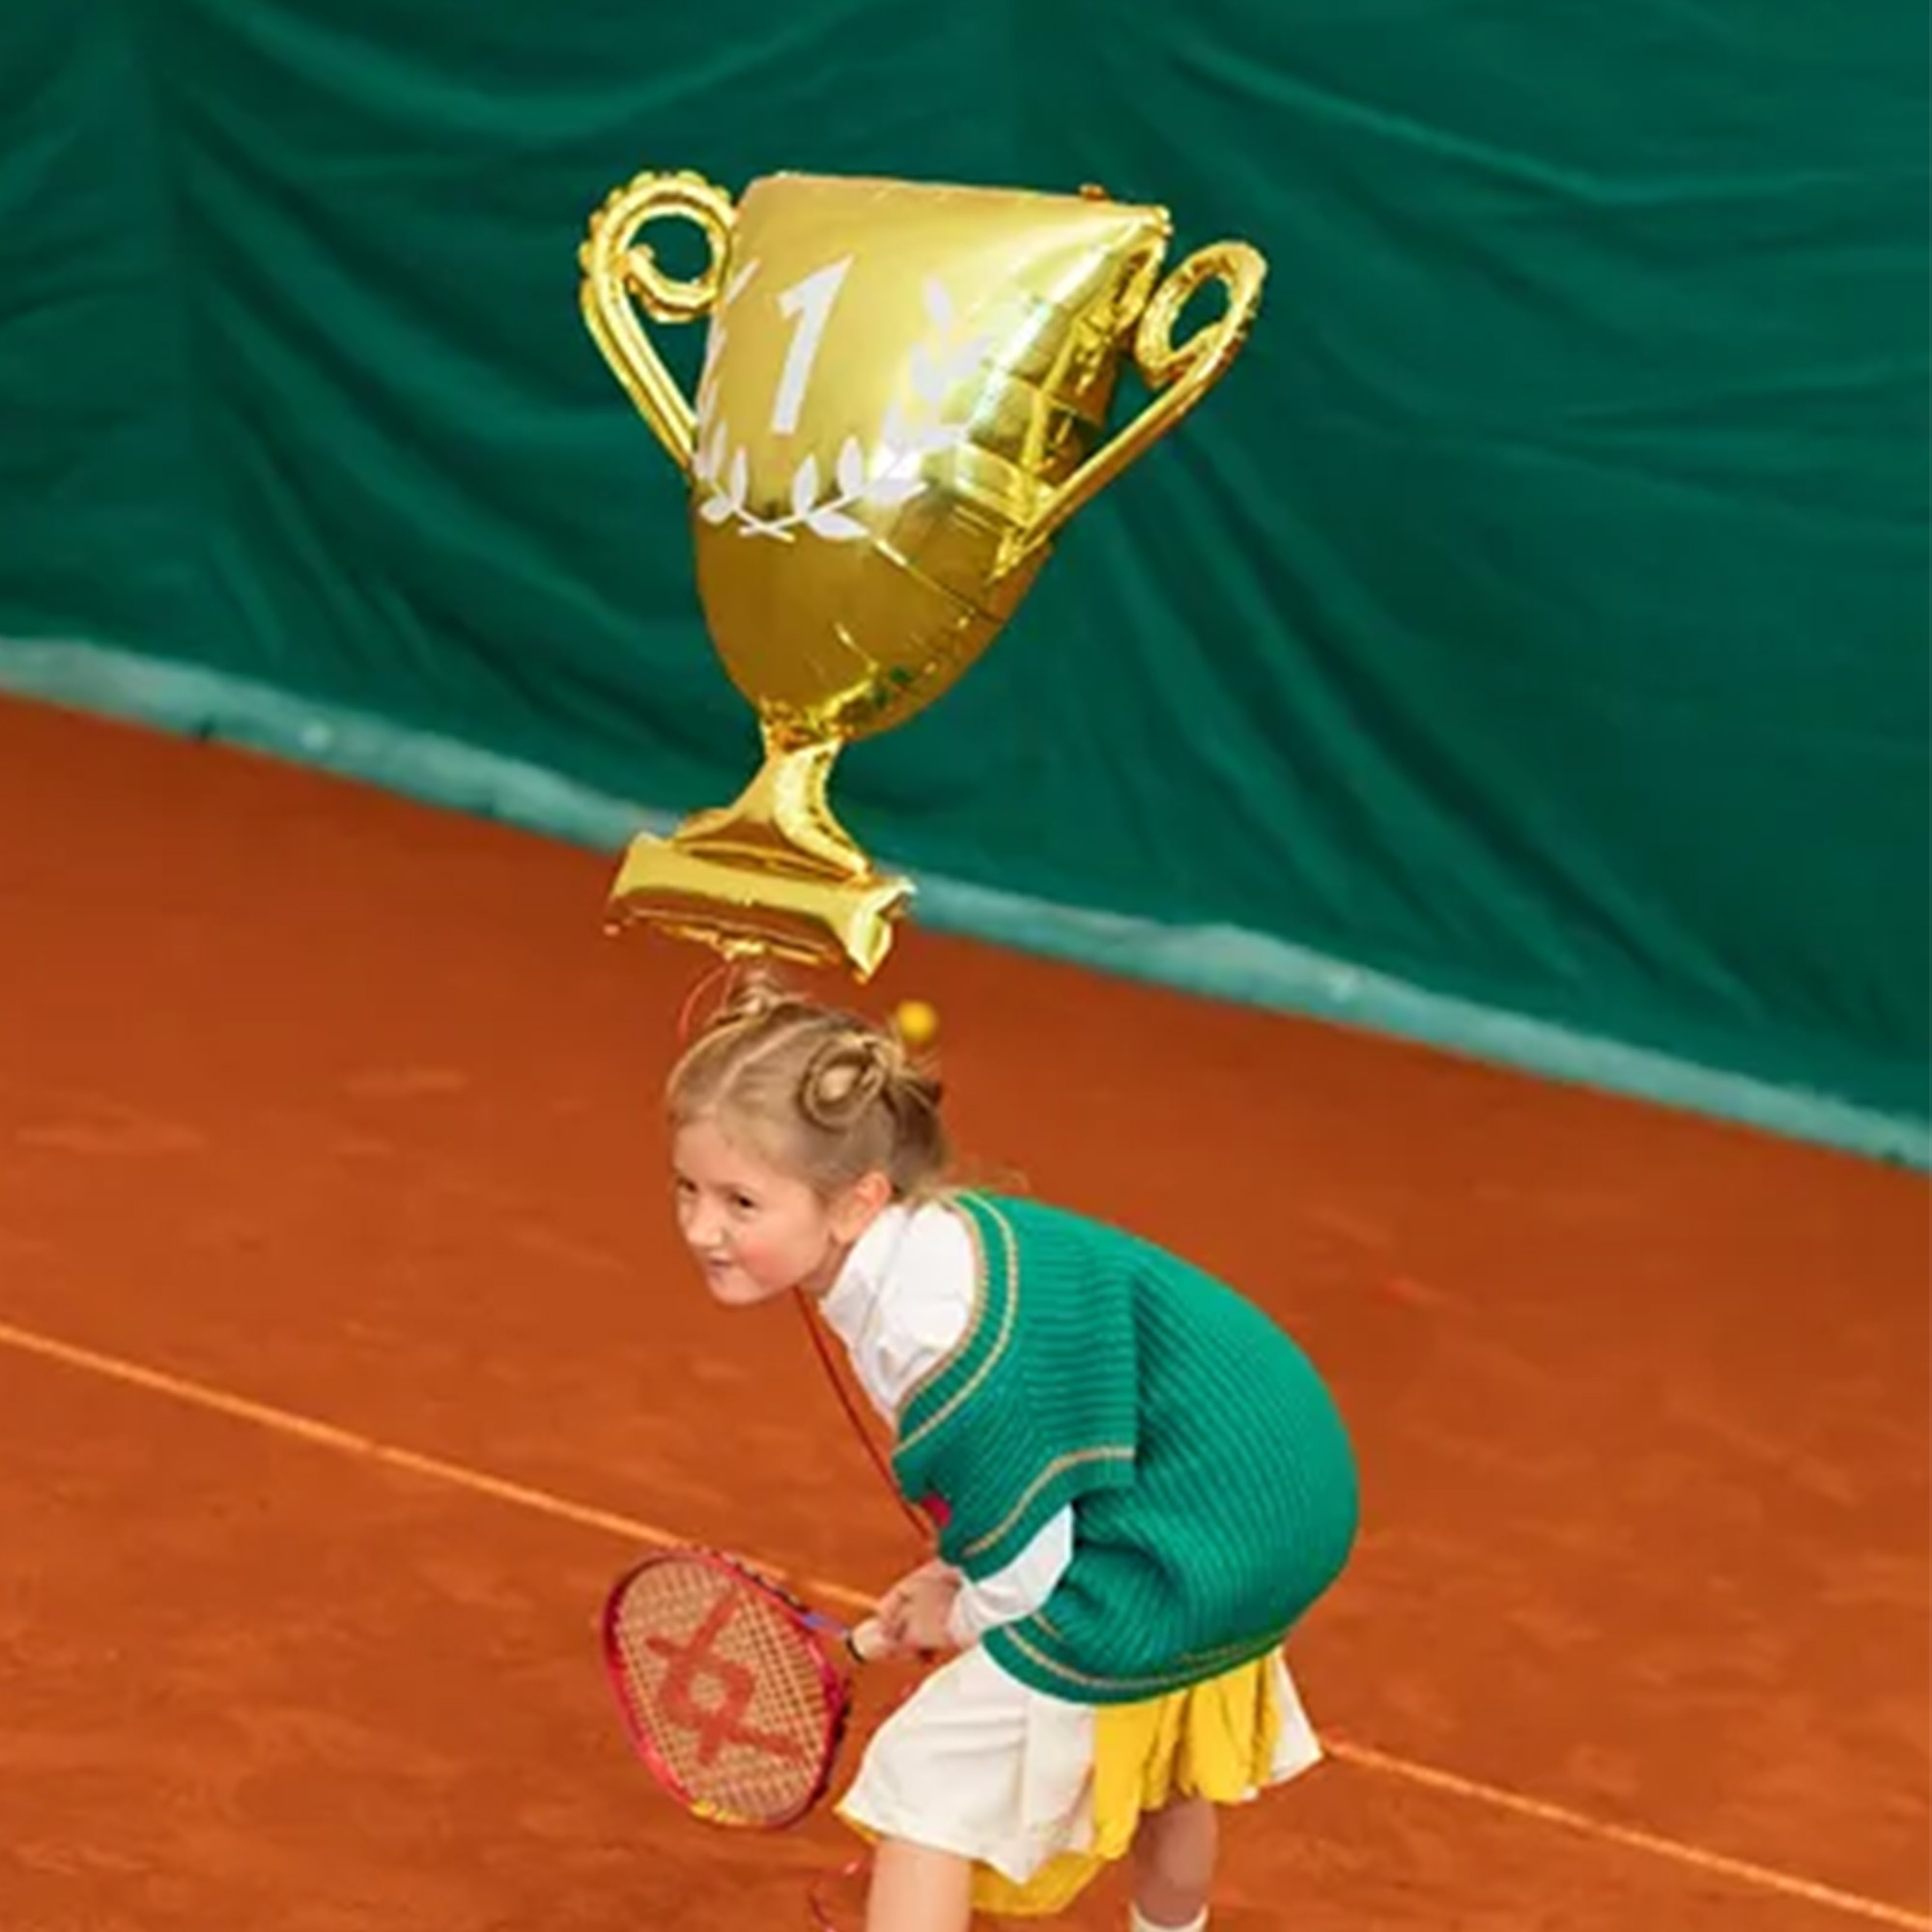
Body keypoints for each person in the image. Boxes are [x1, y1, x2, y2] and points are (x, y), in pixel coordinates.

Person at [665, 971, 1360, 1932]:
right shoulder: (930, 1246)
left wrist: (961, 1610)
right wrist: (954, 1570)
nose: (702, 1227)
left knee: (921, 1786)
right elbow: (1039, 1463)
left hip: (1204, 1523)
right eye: (687, 1188)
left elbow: (1026, 1578)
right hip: (1269, 1485)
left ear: (856, 1198)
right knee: (1164, 1744)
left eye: (742, 1201)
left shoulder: (930, 1334)